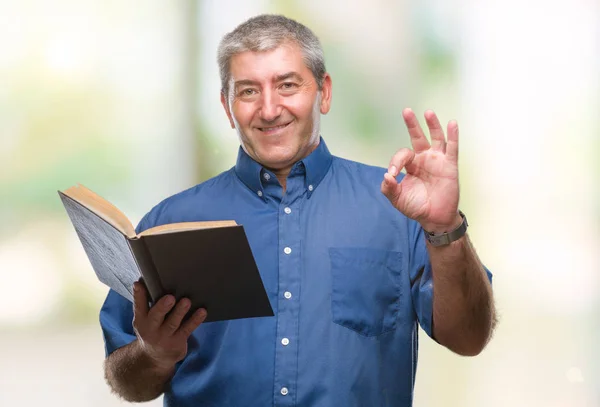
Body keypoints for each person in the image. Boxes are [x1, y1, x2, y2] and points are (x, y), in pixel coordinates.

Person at [100, 14, 496, 407]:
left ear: (323, 92)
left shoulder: (399, 208)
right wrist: (154, 354)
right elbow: (128, 382)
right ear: (227, 106)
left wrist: (446, 228)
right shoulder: (169, 224)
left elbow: (469, 338)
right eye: (249, 91)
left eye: (287, 85)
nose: (269, 109)